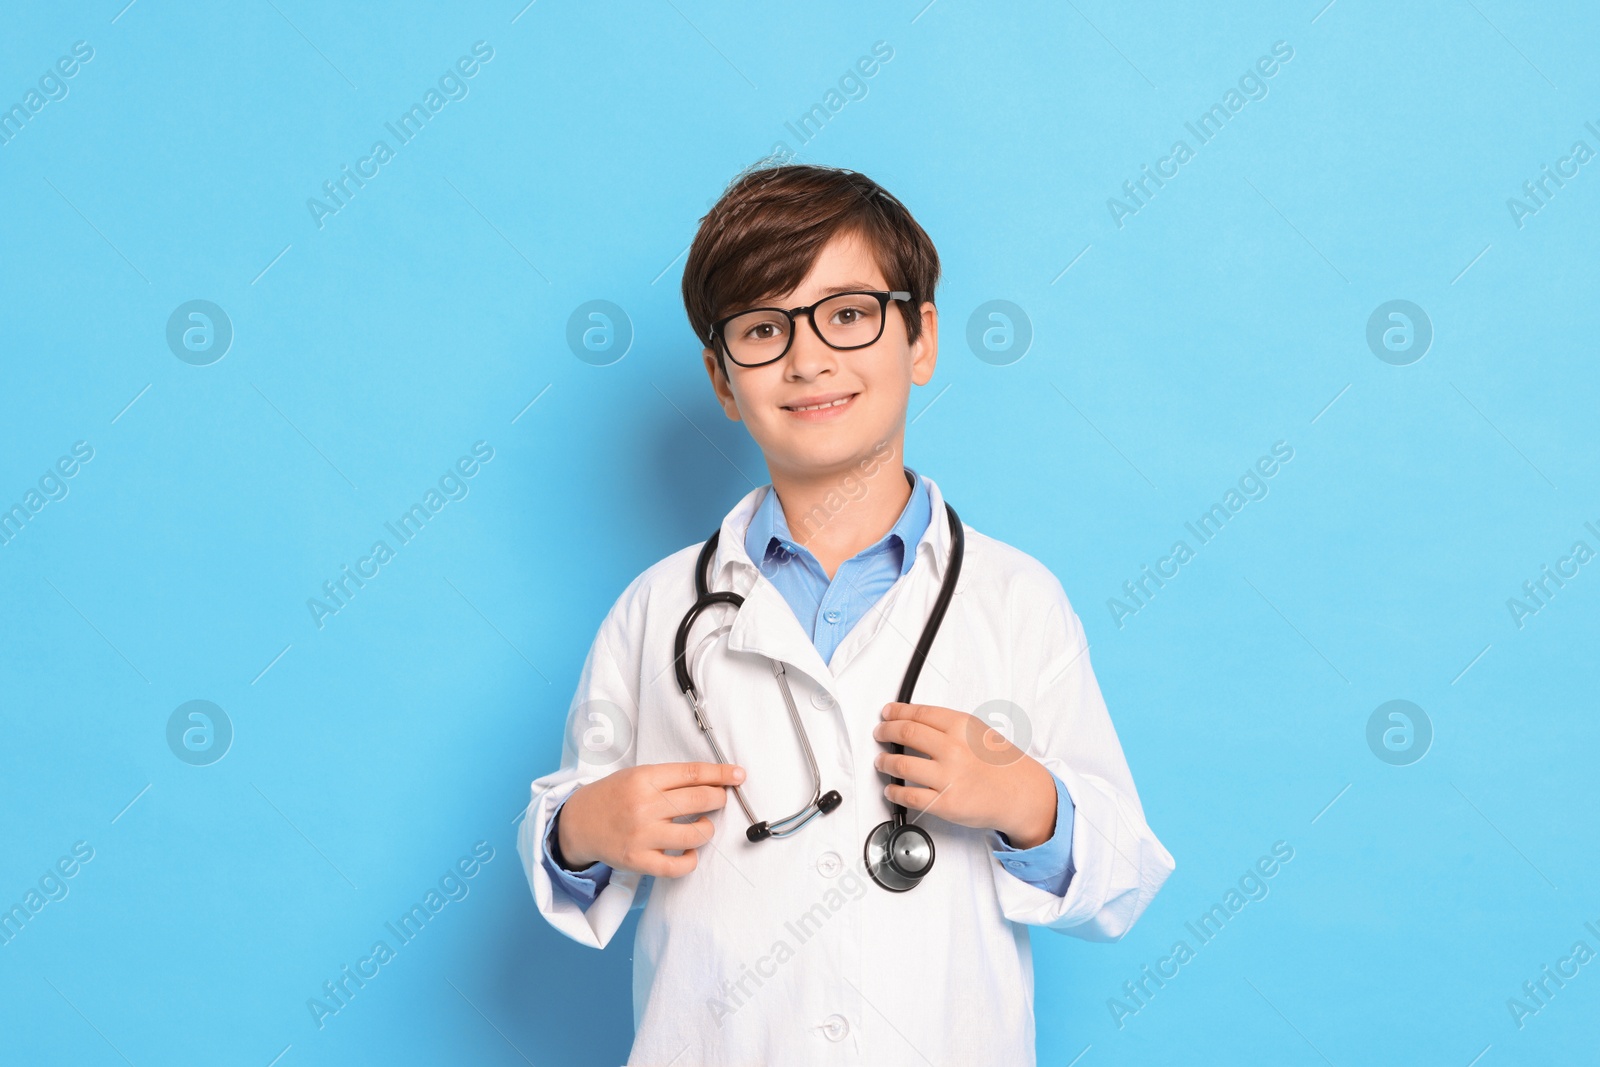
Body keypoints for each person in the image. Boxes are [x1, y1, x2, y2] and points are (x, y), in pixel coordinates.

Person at [516, 162, 1174, 1066]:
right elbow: (563, 822)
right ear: (721, 379)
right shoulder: (657, 610)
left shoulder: (1017, 600)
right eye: (761, 328)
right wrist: (586, 828)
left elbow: (1122, 877)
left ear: (921, 339)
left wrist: (1026, 800)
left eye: (850, 313)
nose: (808, 356)